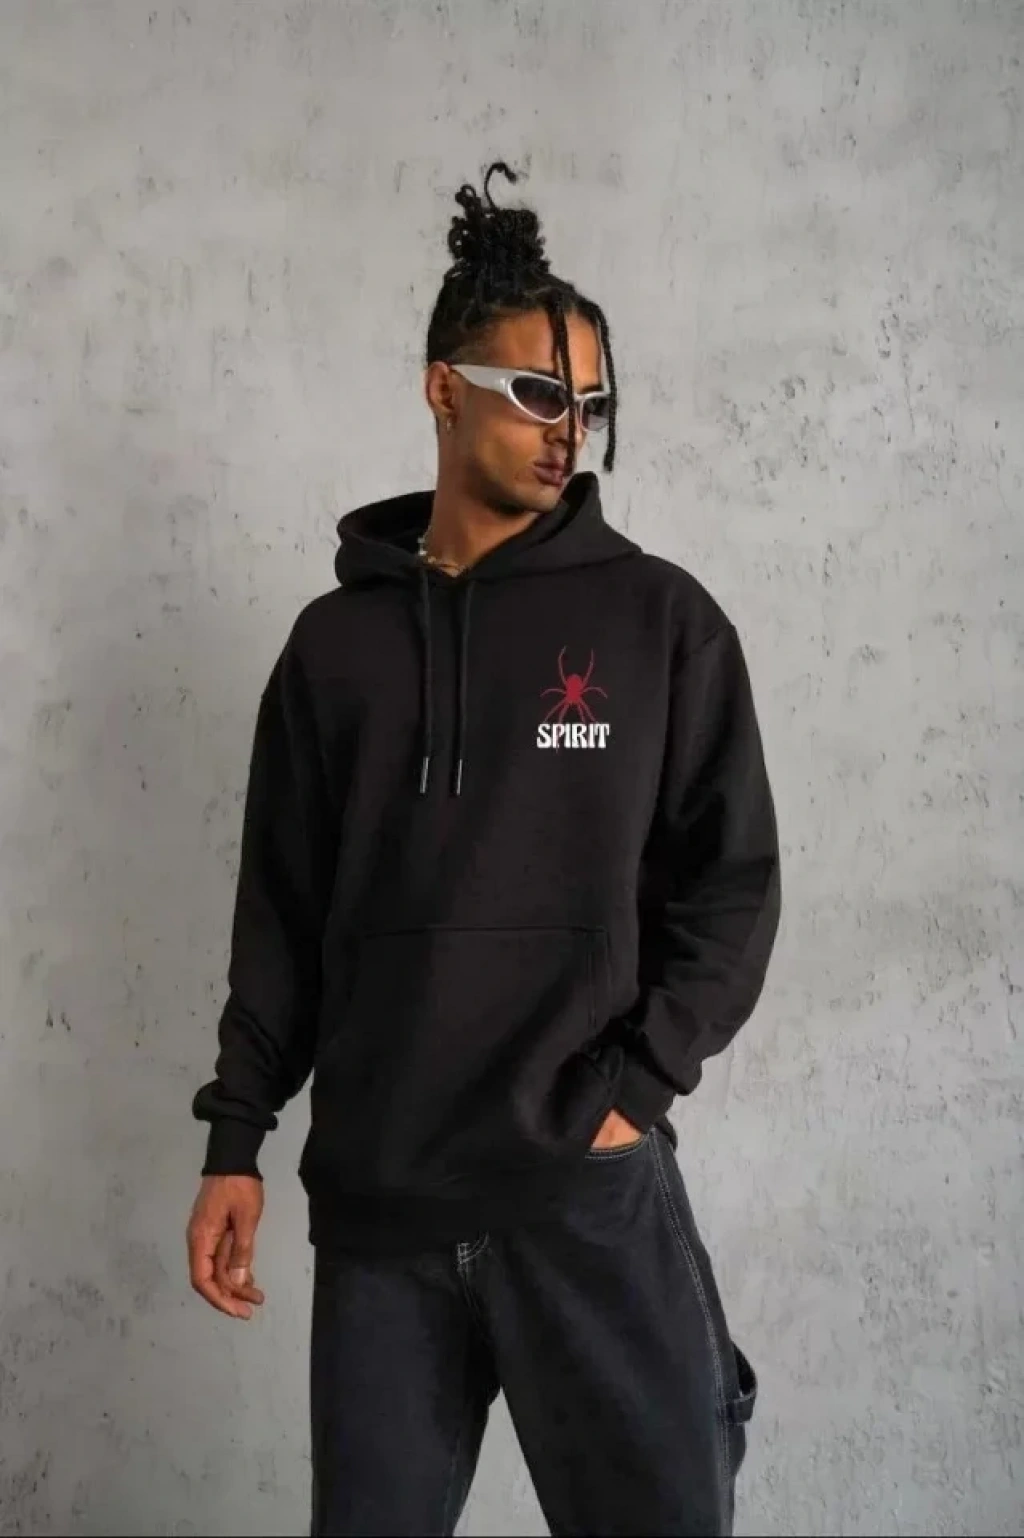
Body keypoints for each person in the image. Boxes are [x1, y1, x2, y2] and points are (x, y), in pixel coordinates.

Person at [187, 160, 781, 1537]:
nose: (570, 430)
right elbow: (281, 919)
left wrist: (633, 1089)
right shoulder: (334, 649)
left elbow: (733, 887)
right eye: (536, 393)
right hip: (382, 1213)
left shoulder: (660, 623)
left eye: (590, 404)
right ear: (441, 389)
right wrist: (235, 1140)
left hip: (584, 1193)